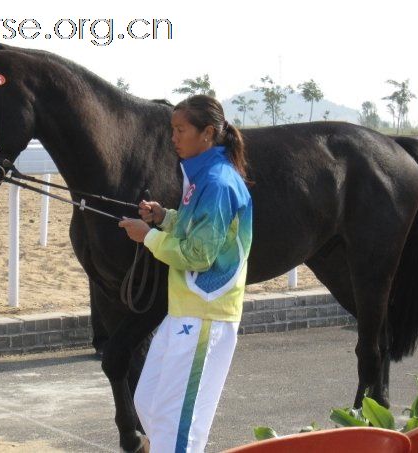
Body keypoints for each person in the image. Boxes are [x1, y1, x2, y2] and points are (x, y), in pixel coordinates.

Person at [118, 94, 253, 453]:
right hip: (185, 312)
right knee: (147, 403)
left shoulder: (219, 182)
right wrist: (164, 217)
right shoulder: (203, 176)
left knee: (180, 427)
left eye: (180, 130)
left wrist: (148, 237)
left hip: (206, 315)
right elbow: (200, 229)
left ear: (207, 133)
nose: (174, 137)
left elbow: (199, 254)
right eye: (172, 129)